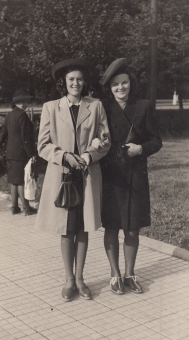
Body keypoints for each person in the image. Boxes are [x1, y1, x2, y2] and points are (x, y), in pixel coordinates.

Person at [35, 58, 110, 302]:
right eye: (70, 80)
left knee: (83, 227)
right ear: (63, 83)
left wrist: (89, 155)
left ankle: (80, 278)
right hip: (62, 176)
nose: (75, 83)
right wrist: (64, 156)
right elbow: (43, 146)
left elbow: (105, 139)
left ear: (84, 82)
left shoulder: (95, 106)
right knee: (66, 229)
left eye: (79, 79)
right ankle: (68, 279)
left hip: (86, 176)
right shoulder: (51, 107)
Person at [96, 58, 162, 295]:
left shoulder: (143, 106)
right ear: (110, 87)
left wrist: (141, 149)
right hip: (111, 178)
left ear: (130, 83)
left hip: (135, 176)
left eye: (124, 83)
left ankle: (130, 274)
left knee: (132, 229)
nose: (120, 88)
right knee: (112, 227)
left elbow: (156, 140)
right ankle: (115, 275)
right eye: (115, 85)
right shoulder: (102, 107)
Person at [0, 89, 37, 216]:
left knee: (14, 180)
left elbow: (3, 134)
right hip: (21, 154)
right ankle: (27, 208)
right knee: (21, 180)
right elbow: (25, 138)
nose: (25, 104)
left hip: (11, 153)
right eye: (22, 102)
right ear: (16, 103)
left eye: (25, 101)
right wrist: (31, 154)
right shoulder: (22, 115)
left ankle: (15, 207)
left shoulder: (9, 115)